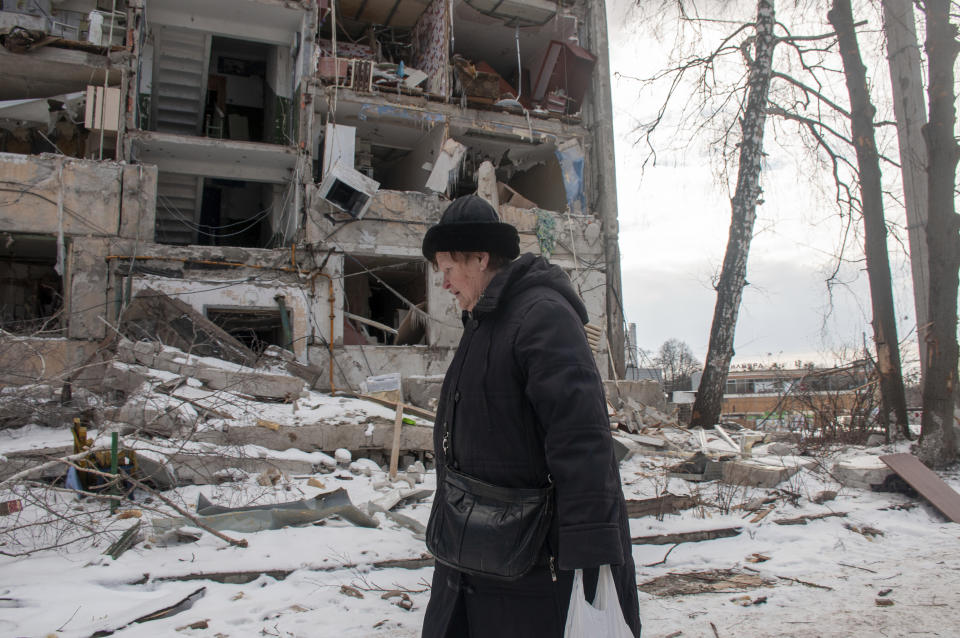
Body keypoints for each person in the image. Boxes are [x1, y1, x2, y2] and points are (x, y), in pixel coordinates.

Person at [420, 195, 641, 637]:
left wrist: (591, 560)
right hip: (480, 557)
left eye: (447, 269)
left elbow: (582, 441)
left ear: (480, 258)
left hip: (535, 569)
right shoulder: (486, 322)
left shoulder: (542, 317)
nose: (443, 284)